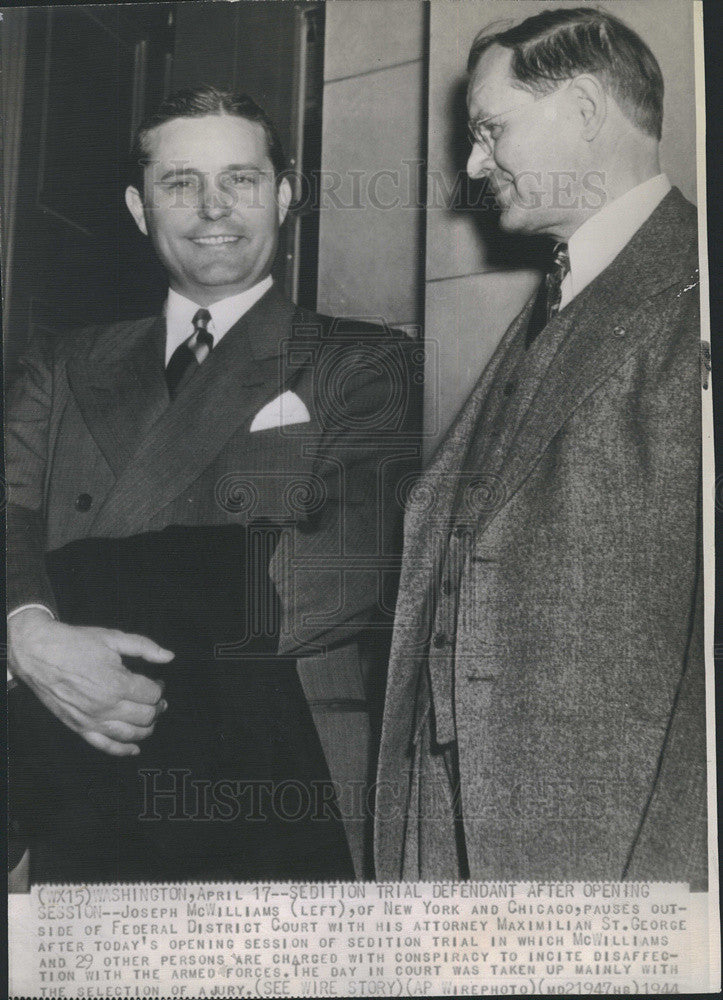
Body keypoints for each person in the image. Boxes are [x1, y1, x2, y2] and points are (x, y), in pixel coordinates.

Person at [7, 86, 416, 883]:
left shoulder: (363, 361)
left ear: (285, 194)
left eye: (241, 179)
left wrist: (62, 620)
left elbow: (337, 573)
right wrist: (28, 633)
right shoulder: (60, 363)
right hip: (77, 757)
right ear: (138, 206)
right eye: (179, 182)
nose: (211, 209)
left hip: (276, 761)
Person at [375, 7, 706, 888]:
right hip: (467, 831)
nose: (474, 164)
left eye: (490, 129)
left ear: (587, 107)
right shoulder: (561, 295)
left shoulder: (694, 290)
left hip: (611, 851)